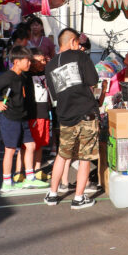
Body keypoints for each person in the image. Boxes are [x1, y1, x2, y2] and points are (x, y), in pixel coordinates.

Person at [43, 28, 102, 209]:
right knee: (85, 156)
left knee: (62, 154)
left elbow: (53, 94)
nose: (80, 47)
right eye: (78, 43)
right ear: (73, 42)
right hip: (87, 113)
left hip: (65, 115)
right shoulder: (81, 57)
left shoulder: (50, 65)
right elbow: (93, 80)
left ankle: (53, 194)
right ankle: (78, 198)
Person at [0, 45, 47, 192]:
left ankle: (30, 178)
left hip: (23, 117)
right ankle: (7, 182)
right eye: (27, 60)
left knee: (31, 146)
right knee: (10, 150)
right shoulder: (8, 76)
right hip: (10, 118)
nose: (30, 63)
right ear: (17, 61)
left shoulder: (23, 75)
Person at [28, 48, 53, 183]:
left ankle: (37, 169)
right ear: (31, 62)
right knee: (32, 144)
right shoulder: (27, 76)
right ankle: (29, 170)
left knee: (41, 143)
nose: (43, 63)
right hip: (34, 112)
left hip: (44, 110)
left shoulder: (46, 72)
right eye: (40, 61)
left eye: (44, 60)